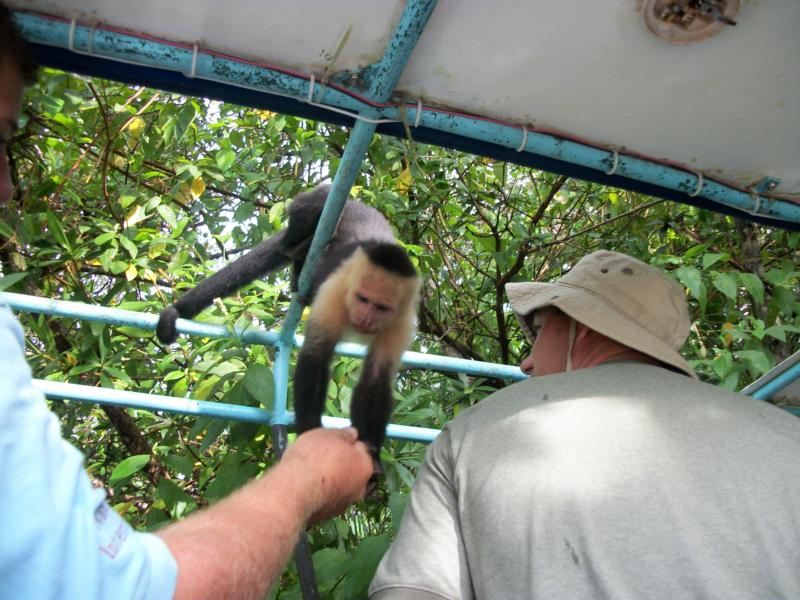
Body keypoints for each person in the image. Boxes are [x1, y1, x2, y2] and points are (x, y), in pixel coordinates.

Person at [0, 6, 373, 599]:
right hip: (327, 229)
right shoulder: (328, 243)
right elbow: (266, 259)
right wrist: (309, 461)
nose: (7, 185)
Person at [370, 250, 800, 599]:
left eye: (538, 330)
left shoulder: (473, 433)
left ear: (581, 327)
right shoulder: (788, 438)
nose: (527, 361)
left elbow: (411, 593)